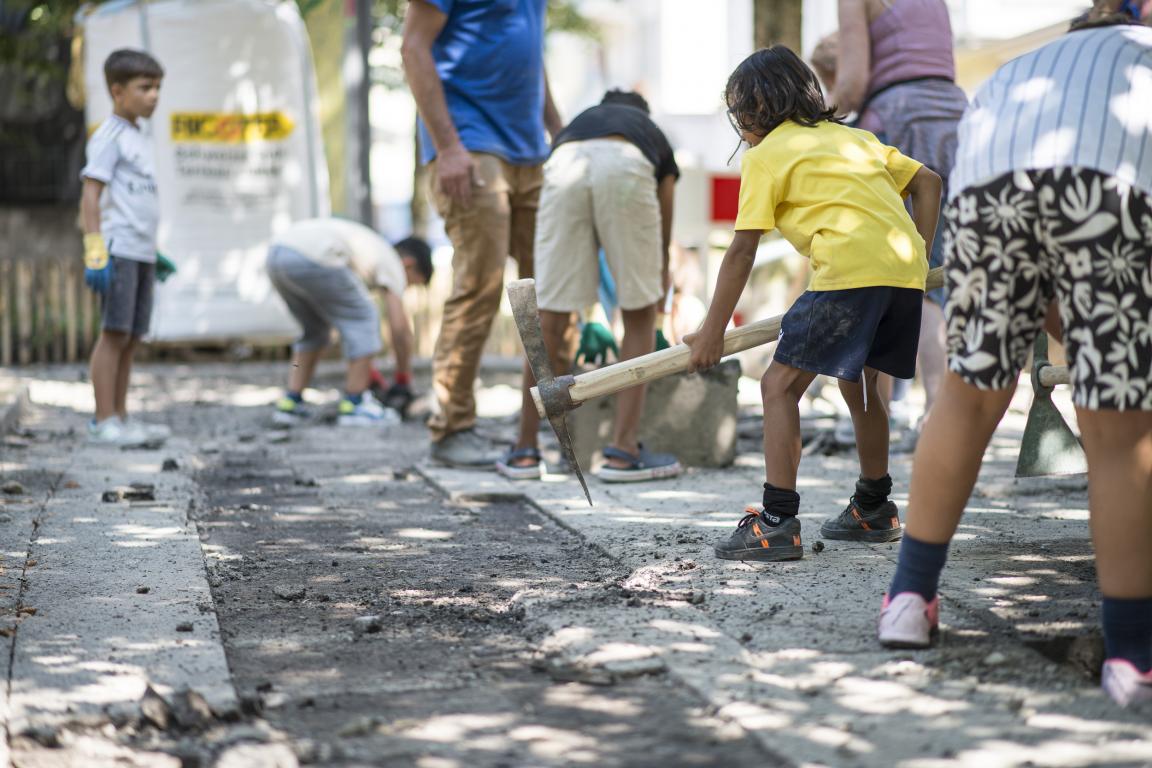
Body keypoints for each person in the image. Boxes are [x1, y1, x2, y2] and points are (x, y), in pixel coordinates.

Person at [877, 0, 1152, 709]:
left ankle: (907, 600)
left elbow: (1045, 285)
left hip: (990, 187)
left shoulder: (1014, 72)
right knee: (1119, 429)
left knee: (967, 396)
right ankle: (1132, 654)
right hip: (1111, 183)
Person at [685, 46, 941, 561]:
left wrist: (712, 330)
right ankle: (874, 507)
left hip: (848, 275)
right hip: (902, 275)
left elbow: (742, 250)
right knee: (861, 385)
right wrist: (917, 254)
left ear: (755, 110)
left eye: (739, 113)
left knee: (778, 386)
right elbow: (928, 181)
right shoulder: (856, 139)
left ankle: (776, 520)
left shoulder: (766, 156)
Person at [402, 0, 562, 467]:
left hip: (530, 149)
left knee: (554, 291)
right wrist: (448, 148)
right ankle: (451, 428)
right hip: (469, 144)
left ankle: (542, 426)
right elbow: (413, 47)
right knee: (480, 286)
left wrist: (558, 130)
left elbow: (531, 55)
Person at [497, 90, 682, 482]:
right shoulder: (647, 133)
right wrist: (660, 274)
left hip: (564, 165)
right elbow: (664, 216)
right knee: (638, 315)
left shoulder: (580, 125)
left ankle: (524, 450)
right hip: (627, 167)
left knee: (549, 319)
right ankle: (623, 451)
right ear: (642, 114)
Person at [832, 0, 968, 429]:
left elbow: (852, 84)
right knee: (935, 280)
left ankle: (882, 414)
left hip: (898, 120)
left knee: (889, 278)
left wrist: (816, 123)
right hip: (955, 119)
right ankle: (939, 412)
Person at [80, 48, 172, 446]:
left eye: (158, 88)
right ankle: (103, 420)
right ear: (118, 92)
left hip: (141, 251)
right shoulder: (109, 136)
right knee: (114, 334)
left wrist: (154, 250)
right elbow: (90, 195)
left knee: (132, 338)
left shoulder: (139, 136)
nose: (154, 96)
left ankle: (121, 417)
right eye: (145, 87)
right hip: (118, 250)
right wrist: (95, 250)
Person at [266, 218, 432, 426]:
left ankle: (291, 403)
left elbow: (344, 321)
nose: (405, 289)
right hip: (311, 257)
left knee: (314, 332)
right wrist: (403, 379)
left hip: (277, 254)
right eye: (412, 283)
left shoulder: (369, 252)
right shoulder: (392, 262)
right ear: (409, 264)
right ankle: (355, 404)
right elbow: (399, 329)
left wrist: (368, 371)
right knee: (365, 316)